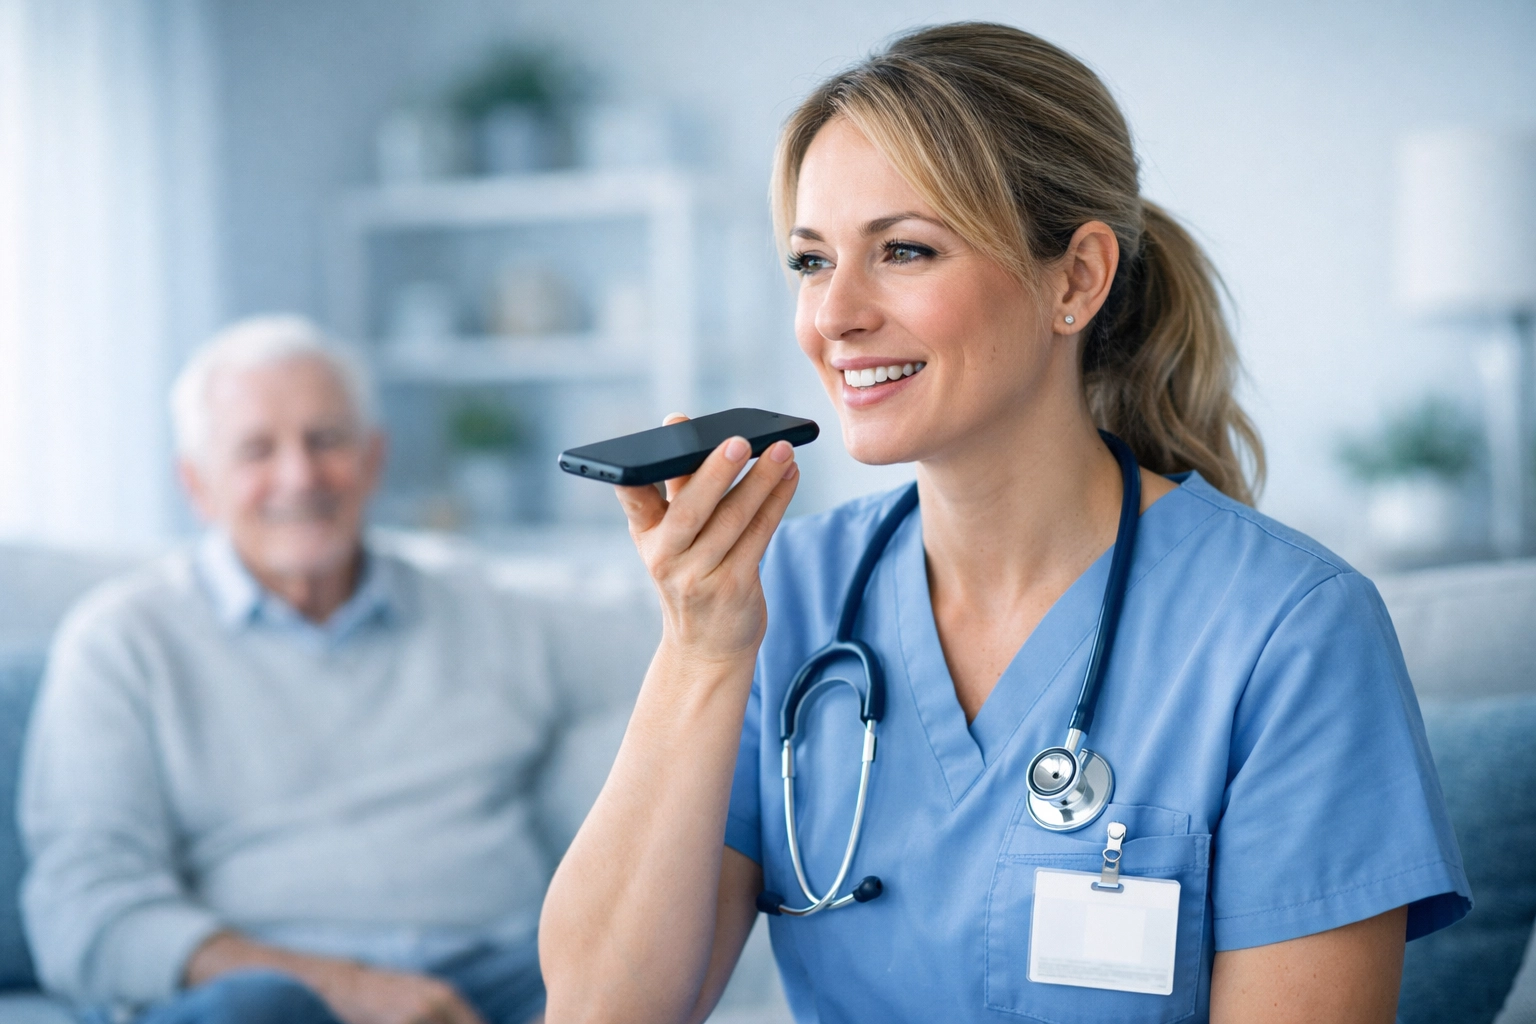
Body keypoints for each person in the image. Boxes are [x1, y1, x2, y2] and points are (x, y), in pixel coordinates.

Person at [539, 22, 1470, 1024]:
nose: (835, 315)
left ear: (1075, 280)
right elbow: (597, 1011)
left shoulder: (1291, 633)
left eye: (903, 250)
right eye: (812, 262)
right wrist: (700, 652)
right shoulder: (783, 597)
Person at [20, 316, 551, 1024]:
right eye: (256, 450)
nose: (299, 476)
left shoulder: (484, 606)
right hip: (270, 993)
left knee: (617, 975)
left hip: (487, 986)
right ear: (196, 484)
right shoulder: (121, 640)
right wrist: (351, 989)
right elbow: (84, 908)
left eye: (326, 440)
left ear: (374, 458)